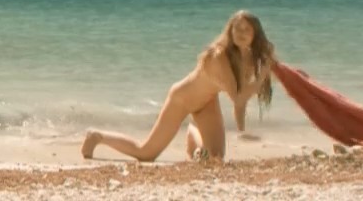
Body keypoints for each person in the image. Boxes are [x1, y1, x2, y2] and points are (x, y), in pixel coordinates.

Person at [80, 10, 276, 162]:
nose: (241, 33)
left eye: (247, 30)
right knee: (146, 154)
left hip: (207, 101)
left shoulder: (247, 57)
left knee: (216, 158)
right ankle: (97, 136)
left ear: (255, 34)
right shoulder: (219, 56)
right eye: (237, 28)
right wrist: (263, 74)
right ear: (230, 30)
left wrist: (241, 130)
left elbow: (240, 99)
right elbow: (238, 99)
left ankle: (193, 136)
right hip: (182, 99)